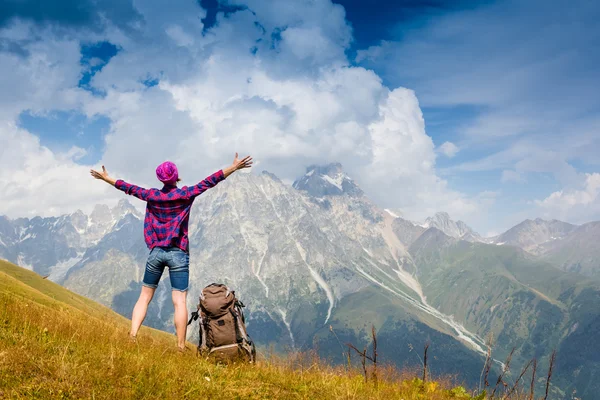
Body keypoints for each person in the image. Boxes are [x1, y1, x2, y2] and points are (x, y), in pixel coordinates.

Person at [90, 153, 253, 350]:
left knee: (144, 297)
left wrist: (107, 178)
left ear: (160, 179)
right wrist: (233, 167)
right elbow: (210, 181)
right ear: (177, 177)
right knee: (179, 301)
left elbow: (129, 188)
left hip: (156, 252)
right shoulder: (185, 194)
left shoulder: (152, 195)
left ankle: (132, 336)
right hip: (179, 253)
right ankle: (181, 347)